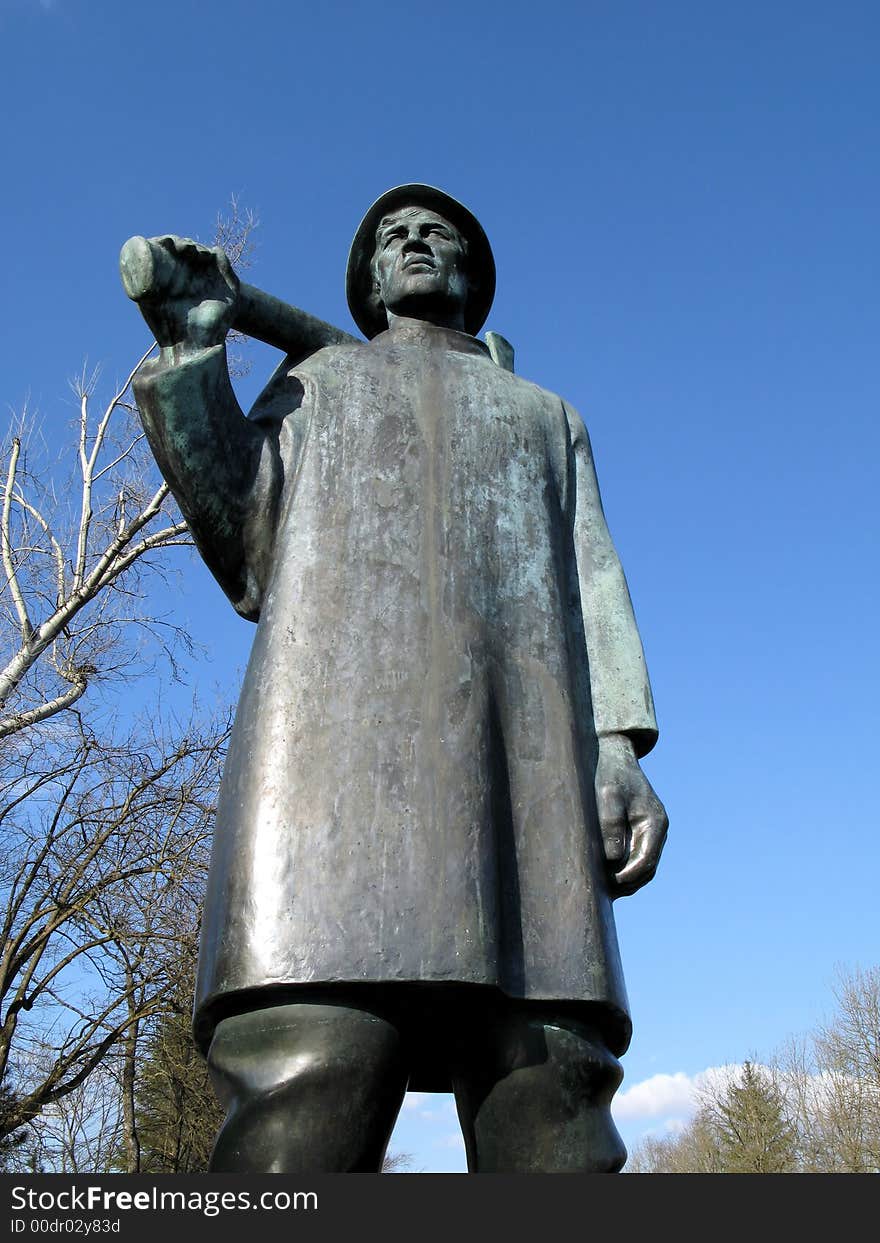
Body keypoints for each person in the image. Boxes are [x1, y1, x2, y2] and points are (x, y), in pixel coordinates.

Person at [128, 184, 668, 1173]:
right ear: (368, 279)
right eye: (393, 235)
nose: (415, 240)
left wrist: (617, 746)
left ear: (472, 275)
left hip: (526, 796)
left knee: (550, 1094)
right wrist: (192, 354)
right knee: (310, 1079)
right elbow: (248, 558)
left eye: (439, 233)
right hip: (326, 804)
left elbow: (596, 580)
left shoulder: (546, 418)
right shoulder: (315, 385)